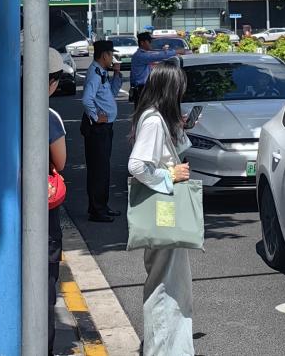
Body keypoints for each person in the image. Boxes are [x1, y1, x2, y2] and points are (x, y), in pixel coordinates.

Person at [127, 63, 194, 355]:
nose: (182, 92)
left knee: (173, 283)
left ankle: (173, 348)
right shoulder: (154, 121)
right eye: (179, 87)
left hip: (164, 207)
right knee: (167, 285)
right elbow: (137, 165)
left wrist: (180, 127)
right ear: (170, 89)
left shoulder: (155, 118)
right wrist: (169, 176)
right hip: (163, 207)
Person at [81, 40, 123, 223]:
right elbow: (86, 99)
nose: (112, 58)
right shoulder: (94, 74)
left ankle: (101, 206)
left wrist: (116, 74)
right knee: (98, 170)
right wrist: (96, 117)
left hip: (105, 128)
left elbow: (111, 94)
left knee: (103, 168)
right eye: (111, 55)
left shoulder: (102, 72)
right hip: (97, 129)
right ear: (104, 55)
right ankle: (97, 210)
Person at [46, 50, 67, 355]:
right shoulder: (49, 117)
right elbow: (60, 162)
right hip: (43, 209)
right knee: (45, 283)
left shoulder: (3, 106)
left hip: (6, 206)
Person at [129, 32, 180, 105]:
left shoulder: (141, 54)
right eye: (149, 41)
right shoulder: (140, 55)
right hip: (142, 89)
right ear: (142, 43)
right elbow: (158, 56)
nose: (151, 43)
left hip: (142, 88)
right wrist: (176, 51)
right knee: (145, 110)